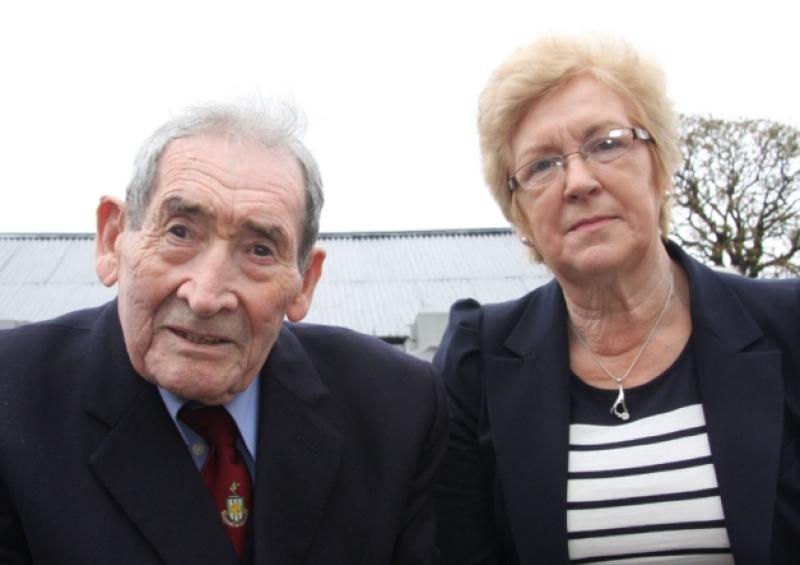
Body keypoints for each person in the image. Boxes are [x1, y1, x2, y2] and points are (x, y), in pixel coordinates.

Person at [0, 101, 448, 565]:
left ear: (305, 282)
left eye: (258, 249)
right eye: (180, 232)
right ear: (114, 239)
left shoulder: (395, 409)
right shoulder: (13, 398)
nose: (206, 296)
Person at [434, 35, 800, 565]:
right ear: (520, 217)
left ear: (661, 165)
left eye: (606, 143)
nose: (578, 181)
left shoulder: (789, 327)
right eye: (541, 166)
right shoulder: (478, 362)